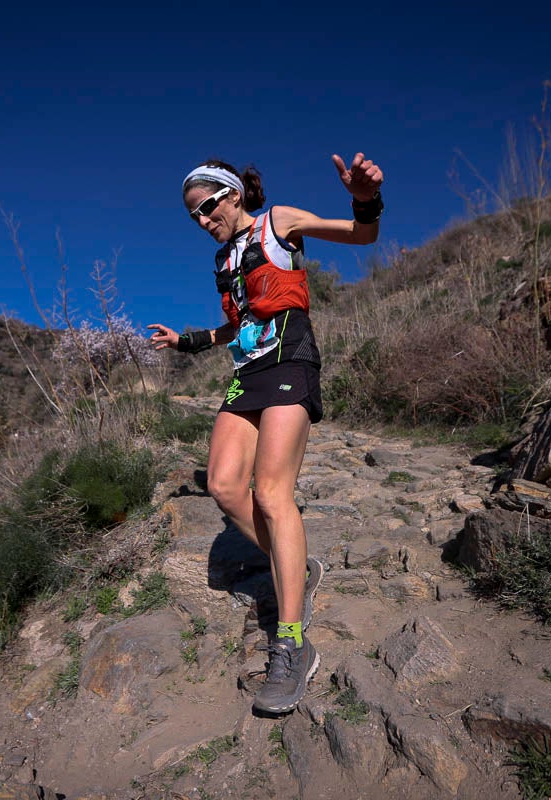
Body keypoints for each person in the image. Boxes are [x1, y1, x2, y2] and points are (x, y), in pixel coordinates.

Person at [148, 153, 384, 714]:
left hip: (290, 363)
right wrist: (188, 343)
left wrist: (364, 195)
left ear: (233, 195)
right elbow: (241, 320)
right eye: (193, 217)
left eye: (207, 207)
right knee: (225, 487)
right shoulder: (223, 256)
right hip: (247, 372)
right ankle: (295, 566)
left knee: (271, 492)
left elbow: (363, 234)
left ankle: (293, 643)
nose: (203, 220)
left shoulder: (278, 222)